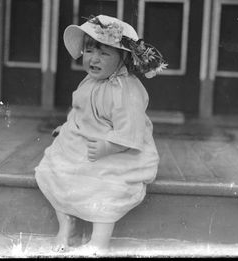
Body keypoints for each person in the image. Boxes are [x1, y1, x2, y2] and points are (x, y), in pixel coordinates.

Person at [34, 15, 167, 255]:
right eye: (89, 50)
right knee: (54, 169)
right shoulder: (90, 81)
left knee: (107, 185)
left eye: (105, 53)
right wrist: (66, 127)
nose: (94, 59)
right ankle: (68, 227)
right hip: (84, 139)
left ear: (123, 58)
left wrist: (109, 147)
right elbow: (81, 110)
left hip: (120, 147)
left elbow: (131, 129)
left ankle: (99, 242)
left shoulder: (126, 90)